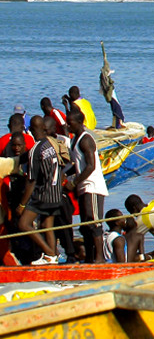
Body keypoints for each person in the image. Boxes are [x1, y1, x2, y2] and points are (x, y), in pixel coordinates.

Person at [17, 117, 61, 265]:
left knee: (23, 224)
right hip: (56, 193)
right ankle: (53, 257)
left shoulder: (36, 149)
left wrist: (22, 205)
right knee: (47, 226)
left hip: (44, 195)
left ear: (31, 129)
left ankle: (48, 252)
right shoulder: (50, 144)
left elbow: (31, 181)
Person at [67, 109, 107, 263]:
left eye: (70, 123)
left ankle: (99, 258)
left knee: (94, 222)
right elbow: (77, 164)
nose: (67, 125)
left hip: (93, 186)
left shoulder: (86, 139)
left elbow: (90, 166)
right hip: (83, 187)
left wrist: (73, 183)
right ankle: (90, 257)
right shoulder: (74, 140)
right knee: (85, 225)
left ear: (79, 123)